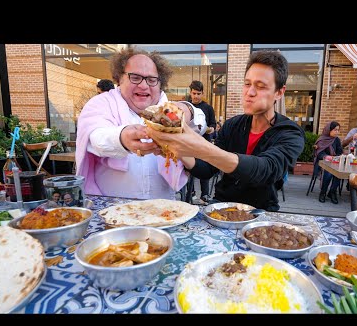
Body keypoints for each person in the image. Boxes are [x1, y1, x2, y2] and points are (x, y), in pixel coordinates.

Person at [147, 50, 305, 211]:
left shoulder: (290, 133)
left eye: (261, 86)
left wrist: (201, 147)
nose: (250, 92)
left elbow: (266, 169)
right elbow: (208, 170)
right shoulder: (233, 125)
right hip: (221, 207)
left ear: (279, 92)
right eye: (247, 83)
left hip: (261, 212)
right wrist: (179, 152)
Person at [76, 47, 205, 199]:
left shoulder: (166, 107)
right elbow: (96, 137)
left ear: (159, 84)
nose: (144, 86)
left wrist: (187, 108)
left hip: (164, 210)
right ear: (119, 78)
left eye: (151, 80)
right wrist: (122, 138)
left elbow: (200, 122)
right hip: (113, 211)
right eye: (135, 77)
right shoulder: (101, 103)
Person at [188, 80, 217, 203]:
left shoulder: (208, 108)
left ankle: (204, 195)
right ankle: (191, 193)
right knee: (190, 170)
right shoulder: (186, 106)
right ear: (190, 93)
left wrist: (210, 129)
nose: (196, 96)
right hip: (189, 143)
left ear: (203, 93)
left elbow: (213, 125)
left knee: (204, 169)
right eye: (194, 93)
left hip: (204, 142)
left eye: (198, 94)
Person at [314, 121, 343, 204]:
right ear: (328, 130)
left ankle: (332, 192)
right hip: (322, 164)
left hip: (335, 163)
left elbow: (339, 152)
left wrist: (337, 157)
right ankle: (323, 192)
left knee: (339, 173)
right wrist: (327, 157)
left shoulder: (336, 140)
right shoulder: (322, 139)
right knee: (329, 172)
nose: (337, 132)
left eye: (338, 130)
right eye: (335, 130)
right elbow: (319, 153)